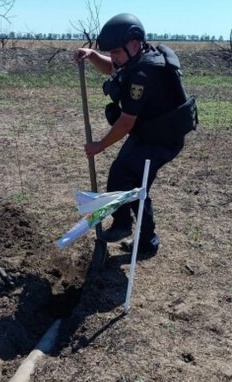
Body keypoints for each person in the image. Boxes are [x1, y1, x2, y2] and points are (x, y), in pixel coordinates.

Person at [75, 13, 197, 259]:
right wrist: (91, 56)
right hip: (150, 132)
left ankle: (136, 235)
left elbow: (125, 123)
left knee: (131, 182)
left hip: (163, 138)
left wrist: (99, 145)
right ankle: (132, 231)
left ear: (134, 43)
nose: (114, 57)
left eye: (116, 52)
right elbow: (111, 67)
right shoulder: (135, 59)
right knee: (125, 178)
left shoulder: (143, 75)